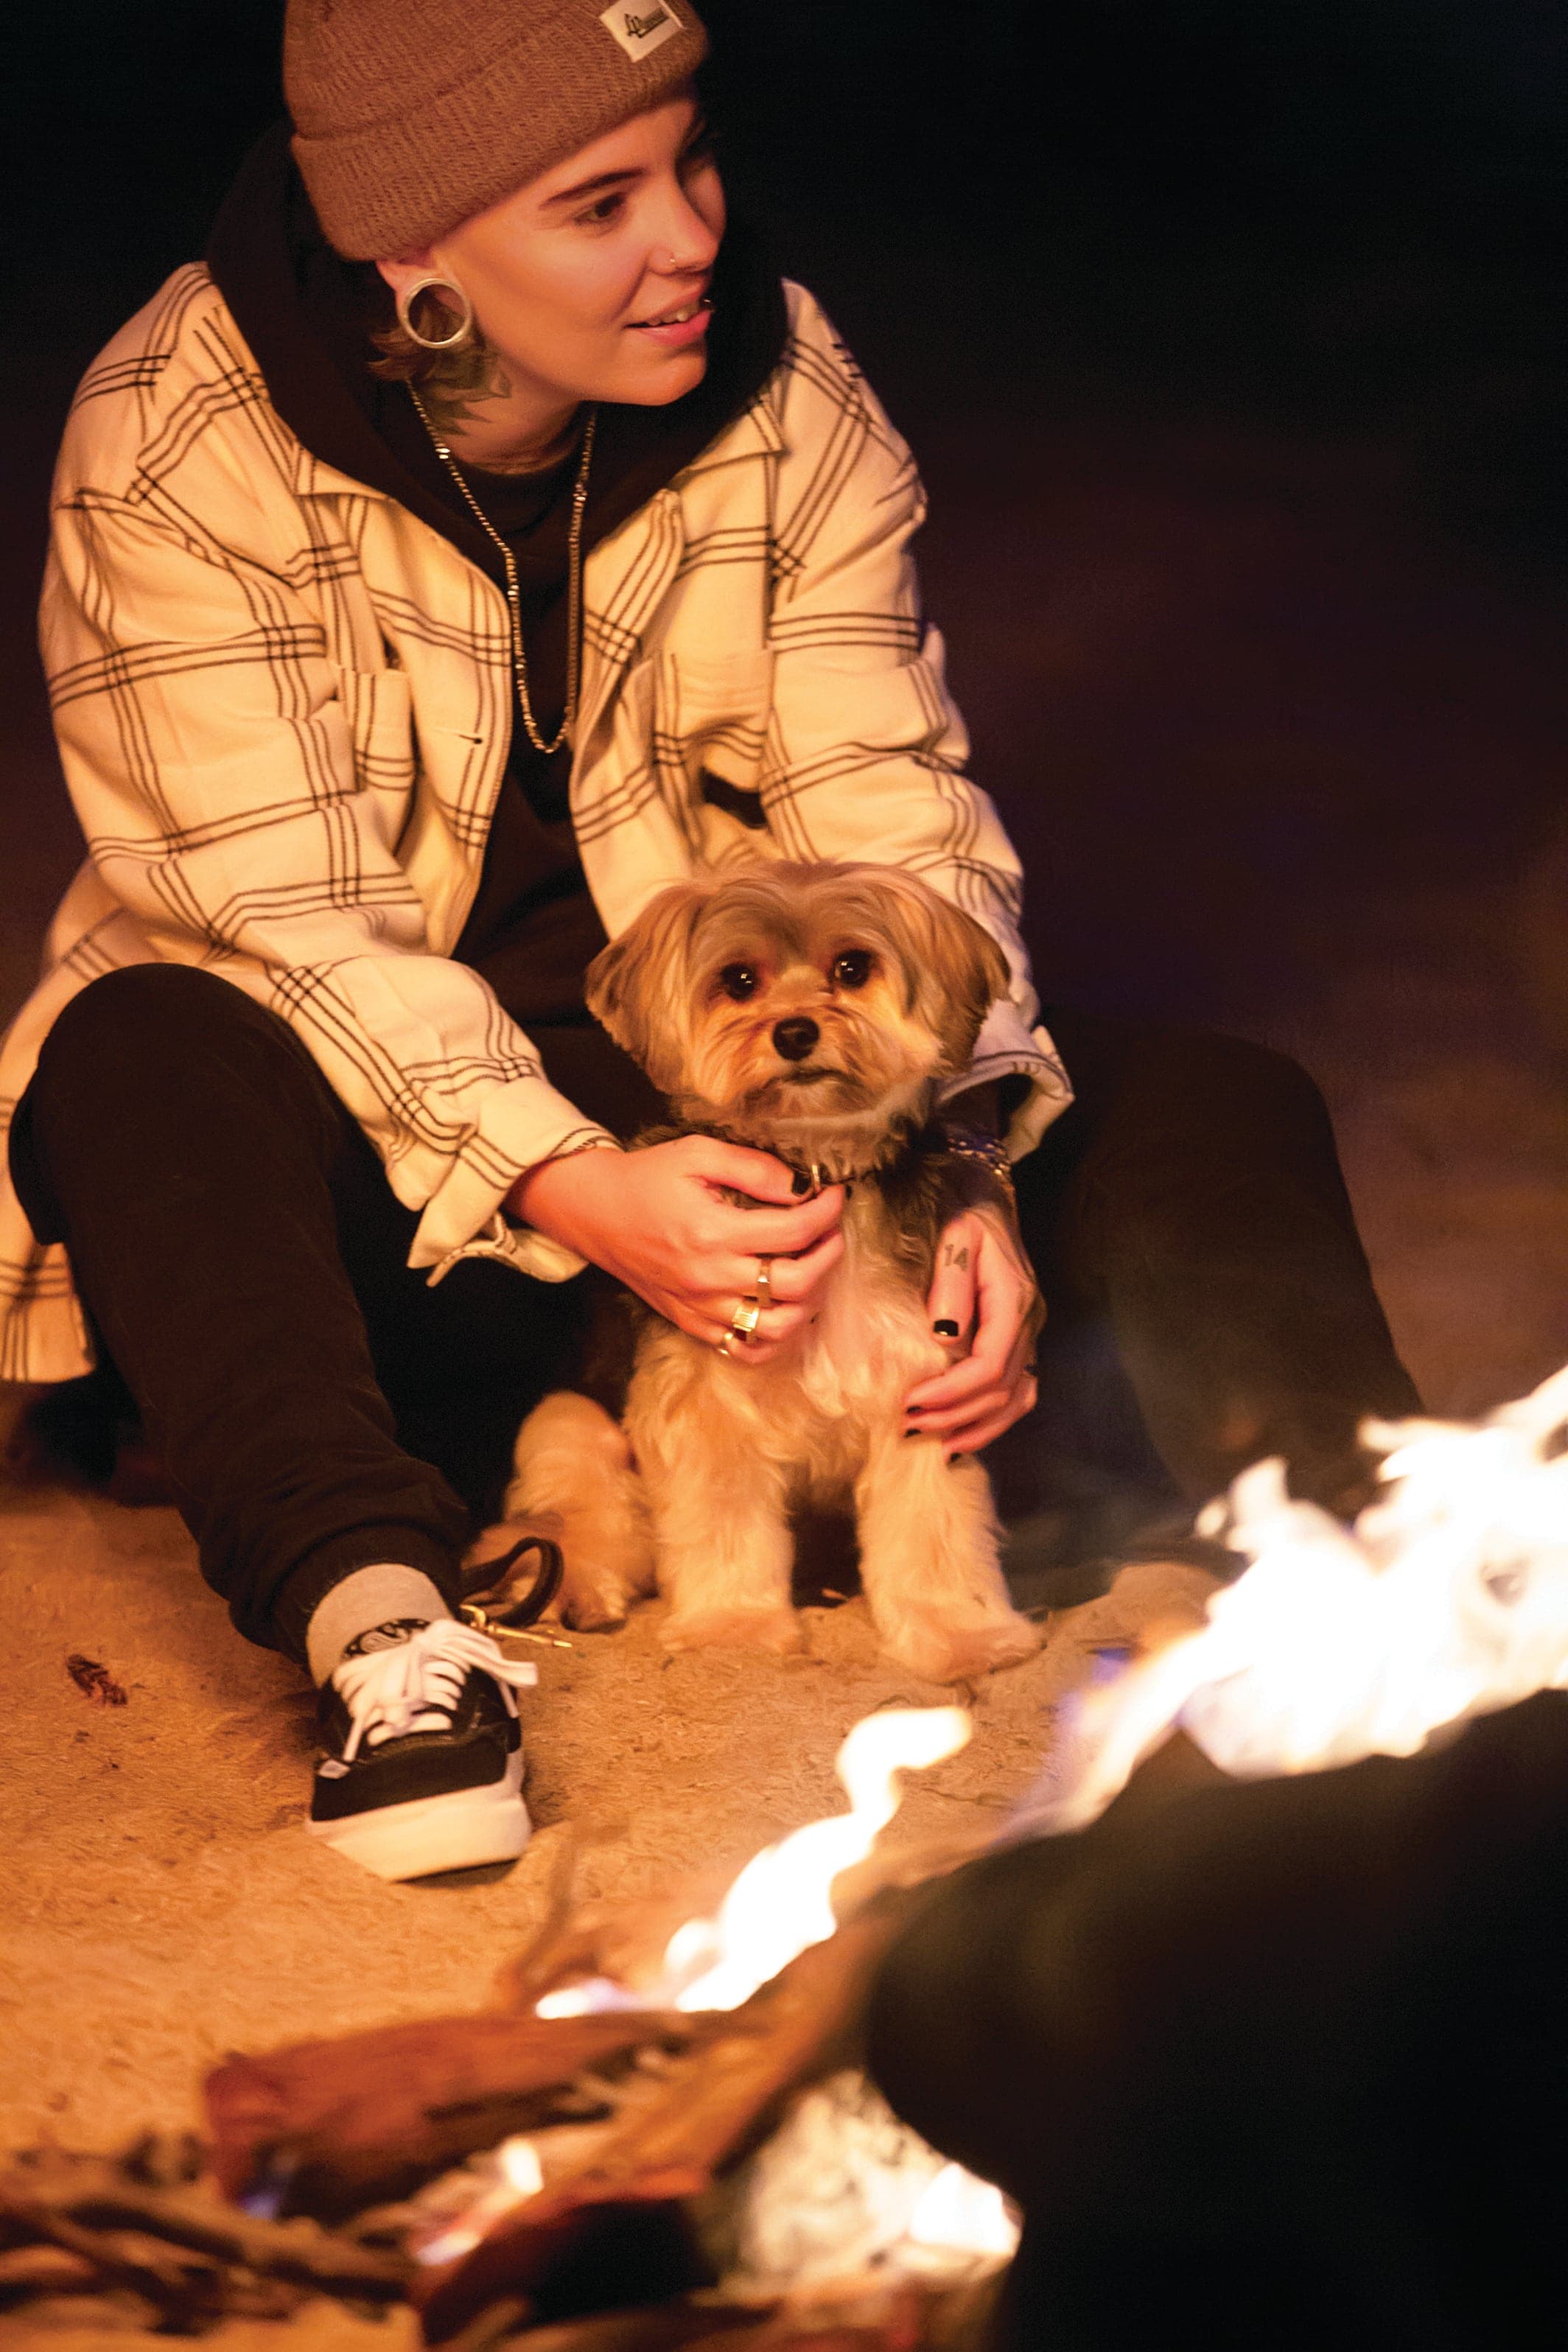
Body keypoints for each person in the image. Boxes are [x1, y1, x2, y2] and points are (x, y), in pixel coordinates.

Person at [0, 0, 1418, 1880]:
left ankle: (1401, 1572)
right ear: (410, 254)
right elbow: (288, 925)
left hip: (768, 1132)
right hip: (379, 1180)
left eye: (691, 159)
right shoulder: (179, 434)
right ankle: (388, 1631)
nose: (689, 238)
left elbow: (889, 812)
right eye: (601, 204)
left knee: (1208, 1098)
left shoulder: (789, 379)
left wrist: (966, 1152)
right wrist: (583, 1189)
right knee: (139, 1049)